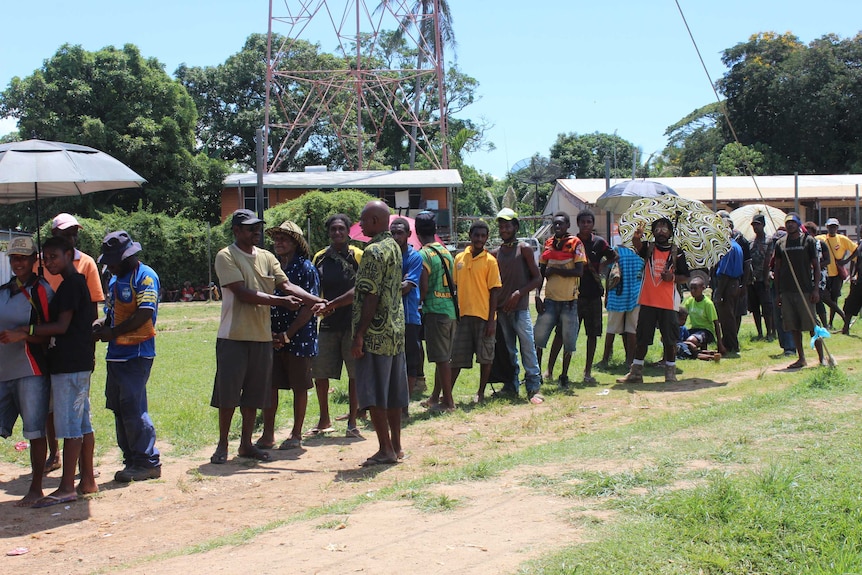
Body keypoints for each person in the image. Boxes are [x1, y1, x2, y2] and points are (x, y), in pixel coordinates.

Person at [209, 209, 321, 464]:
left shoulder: (268, 257)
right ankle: (223, 444)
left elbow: (288, 286)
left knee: (254, 394)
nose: (256, 232)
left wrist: (320, 301)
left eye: (258, 227)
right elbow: (242, 293)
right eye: (250, 228)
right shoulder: (226, 256)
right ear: (237, 231)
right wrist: (281, 303)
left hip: (262, 337)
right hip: (234, 335)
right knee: (229, 395)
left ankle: (246, 444)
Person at [10, 237, 98, 506]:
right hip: (74, 362)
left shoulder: (72, 284)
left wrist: (27, 330)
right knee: (81, 423)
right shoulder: (67, 284)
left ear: (69, 254)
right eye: (45, 258)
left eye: (54, 257)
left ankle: (66, 487)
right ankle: (86, 481)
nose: (49, 262)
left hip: (70, 363)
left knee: (70, 428)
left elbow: (61, 326)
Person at [92, 231, 162, 482]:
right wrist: (101, 325)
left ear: (127, 257)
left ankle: (148, 461)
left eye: (112, 260)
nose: (109, 266)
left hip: (137, 353)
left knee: (133, 407)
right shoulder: (113, 280)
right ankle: (131, 459)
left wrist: (113, 332)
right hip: (116, 355)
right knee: (119, 408)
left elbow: (145, 313)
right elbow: (111, 313)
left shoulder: (145, 276)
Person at [39, 213, 105, 475]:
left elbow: (88, 313)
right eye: (65, 232)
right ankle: (80, 473)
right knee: (61, 411)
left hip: (71, 355)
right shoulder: (44, 266)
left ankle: (70, 481)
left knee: (72, 422)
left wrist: (27, 330)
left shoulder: (80, 272)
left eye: (73, 233)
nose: (71, 236)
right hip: (57, 353)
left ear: (68, 253)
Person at [350, 201, 408, 466]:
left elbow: (370, 295)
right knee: (394, 394)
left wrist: (360, 333)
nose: (359, 225)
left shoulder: (373, 251)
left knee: (374, 393)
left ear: (374, 220)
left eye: (362, 220)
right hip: (395, 332)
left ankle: (384, 449)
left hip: (375, 333)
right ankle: (396, 446)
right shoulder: (394, 247)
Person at [256, 221, 319, 451]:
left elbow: (309, 305)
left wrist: (288, 334)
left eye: (284, 239)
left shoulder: (306, 268)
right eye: (276, 239)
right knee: (270, 385)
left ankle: (296, 434)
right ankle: (268, 434)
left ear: (296, 243)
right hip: (273, 336)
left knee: (299, 386)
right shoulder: (272, 268)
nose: (278, 243)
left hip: (299, 337)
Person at [0, 237, 53, 506]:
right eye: (13, 258)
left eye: (23, 257)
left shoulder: (41, 290)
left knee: (34, 431)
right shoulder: (3, 291)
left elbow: (50, 332)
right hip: (3, 369)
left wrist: (22, 335)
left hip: (30, 369)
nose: (17, 262)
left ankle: (36, 487)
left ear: (35, 260)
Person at [310, 214, 364, 438]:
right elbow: (313, 289)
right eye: (333, 229)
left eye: (341, 229)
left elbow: (363, 289)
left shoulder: (358, 256)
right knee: (320, 373)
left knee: (355, 374)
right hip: (328, 324)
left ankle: (353, 421)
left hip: (353, 323)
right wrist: (320, 305)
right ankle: (324, 419)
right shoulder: (320, 258)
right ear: (328, 232)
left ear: (348, 231)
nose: (337, 233)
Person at [617, 217, 690, 384]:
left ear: (671, 233)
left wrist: (672, 277)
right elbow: (637, 244)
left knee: (670, 339)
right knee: (642, 338)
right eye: (657, 228)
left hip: (668, 303)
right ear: (653, 232)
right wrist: (636, 237)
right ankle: (636, 373)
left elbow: (686, 276)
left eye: (665, 229)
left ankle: (670, 372)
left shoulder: (676, 252)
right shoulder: (649, 249)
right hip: (648, 301)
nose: (661, 232)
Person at [490, 208, 542, 398]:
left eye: (508, 225)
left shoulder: (524, 249)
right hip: (502, 310)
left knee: (527, 346)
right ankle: (511, 385)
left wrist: (519, 293)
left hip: (519, 309)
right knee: (509, 350)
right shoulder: (495, 253)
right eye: (501, 226)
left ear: (516, 227)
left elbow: (537, 278)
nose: (504, 229)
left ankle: (533, 387)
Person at [534, 212, 586, 395]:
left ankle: (564, 375)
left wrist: (555, 269)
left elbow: (579, 271)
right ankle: (537, 374)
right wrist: (536, 296)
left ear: (568, 225)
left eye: (561, 224)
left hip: (570, 301)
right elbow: (541, 272)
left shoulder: (575, 243)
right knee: (538, 339)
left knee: (568, 340)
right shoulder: (548, 244)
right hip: (549, 300)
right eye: (555, 224)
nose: (557, 227)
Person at [451, 220, 502, 403]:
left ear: (487, 238)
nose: (479, 239)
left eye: (483, 236)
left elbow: (495, 291)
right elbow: (456, 286)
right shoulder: (459, 259)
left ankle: (480, 392)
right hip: (464, 316)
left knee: (485, 357)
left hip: (484, 316)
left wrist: (491, 321)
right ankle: (447, 394)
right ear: (470, 236)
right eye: (476, 235)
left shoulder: (491, 261)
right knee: (456, 357)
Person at [415, 211, 457, 412]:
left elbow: (422, 288)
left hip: (435, 311)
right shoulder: (446, 251)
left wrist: (415, 304)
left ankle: (448, 402)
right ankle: (434, 397)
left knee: (441, 360)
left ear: (416, 232)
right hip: (450, 310)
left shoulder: (423, 254)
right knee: (444, 357)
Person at [773, 213, 825, 368]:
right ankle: (801, 358)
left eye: (792, 223)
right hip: (787, 291)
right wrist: (778, 294)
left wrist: (816, 289)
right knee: (793, 326)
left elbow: (816, 267)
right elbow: (777, 269)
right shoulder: (780, 244)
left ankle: (821, 358)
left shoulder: (808, 241)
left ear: (798, 224)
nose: (790, 225)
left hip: (805, 290)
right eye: (787, 223)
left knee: (812, 326)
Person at [575, 209, 617, 383]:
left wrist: (602, 265)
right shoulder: (572, 242)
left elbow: (614, 256)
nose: (586, 225)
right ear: (578, 224)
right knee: (570, 333)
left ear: (592, 224)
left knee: (592, 334)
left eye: (589, 222)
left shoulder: (599, 243)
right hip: (575, 294)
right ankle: (561, 372)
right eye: (583, 222)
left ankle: (587, 370)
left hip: (593, 295)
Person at [389, 217, 424, 415]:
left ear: (408, 234)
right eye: (392, 233)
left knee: (410, 361)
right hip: (389, 318)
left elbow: (407, 287)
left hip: (409, 316)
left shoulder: (414, 257)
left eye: (399, 232)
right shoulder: (388, 255)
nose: (396, 236)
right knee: (391, 361)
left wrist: (387, 286)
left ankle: (404, 406)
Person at [598, 244, 644, 370]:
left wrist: (607, 294)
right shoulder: (640, 252)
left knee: (611, 329)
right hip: (636, 294)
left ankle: (605, 359)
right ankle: (630, 360)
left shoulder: (616, 250)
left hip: (617, 294)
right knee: (631, 329)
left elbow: (609, 273)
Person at [816, 217, 857, 330]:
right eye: (830, 227)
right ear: (826, 227)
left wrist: (846, 261)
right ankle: (842, 315)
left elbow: (856, 249)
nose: (832, 229)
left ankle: (830, 322)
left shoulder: (842, 239)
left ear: (837, 227)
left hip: (836, 275)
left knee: (834, 298)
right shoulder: (821, 238)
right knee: (825, 297)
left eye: (834, 226)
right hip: (824, 274)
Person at [807, 221, 846, 329]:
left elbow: (828, 260)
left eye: (810, 233)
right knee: (819, 300)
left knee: (823, 298)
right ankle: (821, 324)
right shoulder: (804, 245)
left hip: (820, 275)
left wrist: (816, 266)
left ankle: (840, 317)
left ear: (814, 233)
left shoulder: (820, 244)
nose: (807, 235)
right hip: (807, 276)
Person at [713, 223, 745, 354]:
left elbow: (725, 271)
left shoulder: (727, 247)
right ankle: (730, 342)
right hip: (735, 283)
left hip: (727, 284)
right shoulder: (737, 246)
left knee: (727, 318)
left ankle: (731, 345)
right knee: (730, 316)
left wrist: (719, 292)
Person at [679, 276, 725, 359]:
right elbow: (682, 313)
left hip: (706, 331)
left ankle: (700, 354)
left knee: (690, 341)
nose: (692, 291)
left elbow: (716, 323)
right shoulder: (689, 301)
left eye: (695, 288)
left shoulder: (707, 303)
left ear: (703, 288)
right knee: (676, 338)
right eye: (691, 288)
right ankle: (706, 353)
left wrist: (720, 343)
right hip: (694, 330)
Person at [748, 214, 776, 340]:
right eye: (754, 225)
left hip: (764, 279)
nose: (755, 227)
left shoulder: (769, 241)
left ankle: (770, 332)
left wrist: (765, 278)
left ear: (763, 225)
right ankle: (759, 333)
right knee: (755, 308)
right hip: (752, 280)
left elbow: (769, 260)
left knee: (767, 308)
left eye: (757, 224)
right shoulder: (750, 242)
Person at [842, 235, 862, 334]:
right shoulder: (859, 245)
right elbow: (855, 261)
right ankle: (845, 328)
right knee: (850, 306)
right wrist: (852, 275)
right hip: (859, 281)